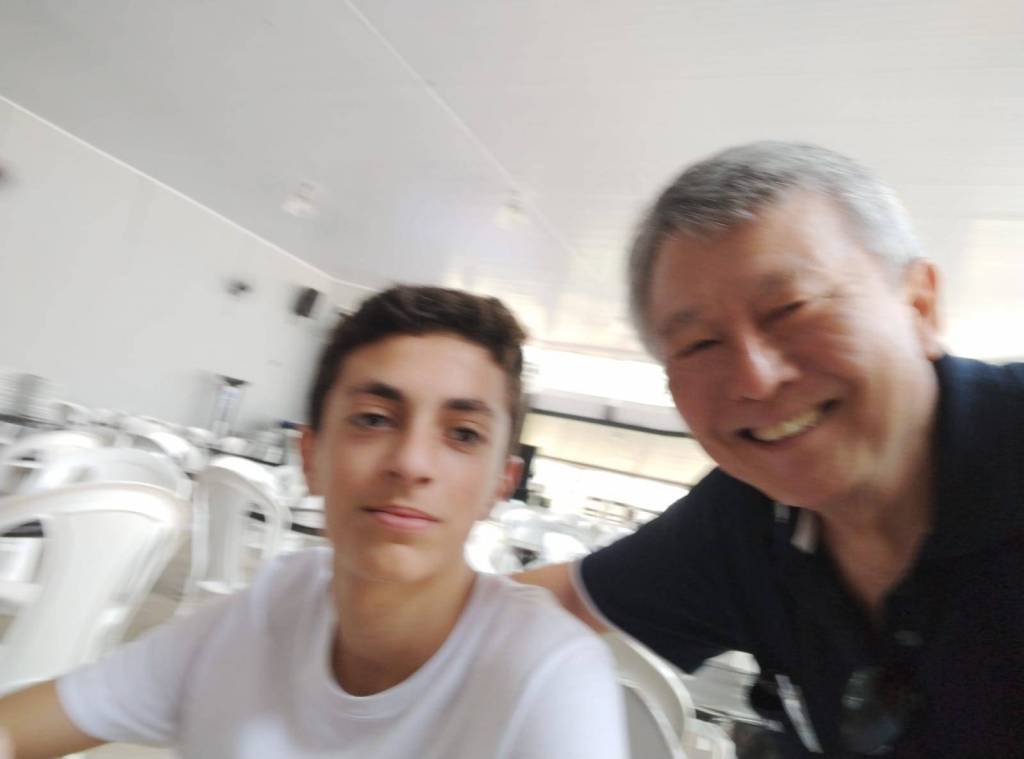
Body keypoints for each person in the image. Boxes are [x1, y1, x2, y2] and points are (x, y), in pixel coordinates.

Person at [519, 141, 1024, 757]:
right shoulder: (748, 518)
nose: (755, 379)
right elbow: (543, 604)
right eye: (701, 345)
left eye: (790, 308)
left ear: (919, 305)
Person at [0, 286, 627, 759]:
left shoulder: (549, 678)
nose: (411, 463)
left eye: (462, 434)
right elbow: (28, 723)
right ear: (311, 456)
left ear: (500, 486)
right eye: (374, 419)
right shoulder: (260, 614)